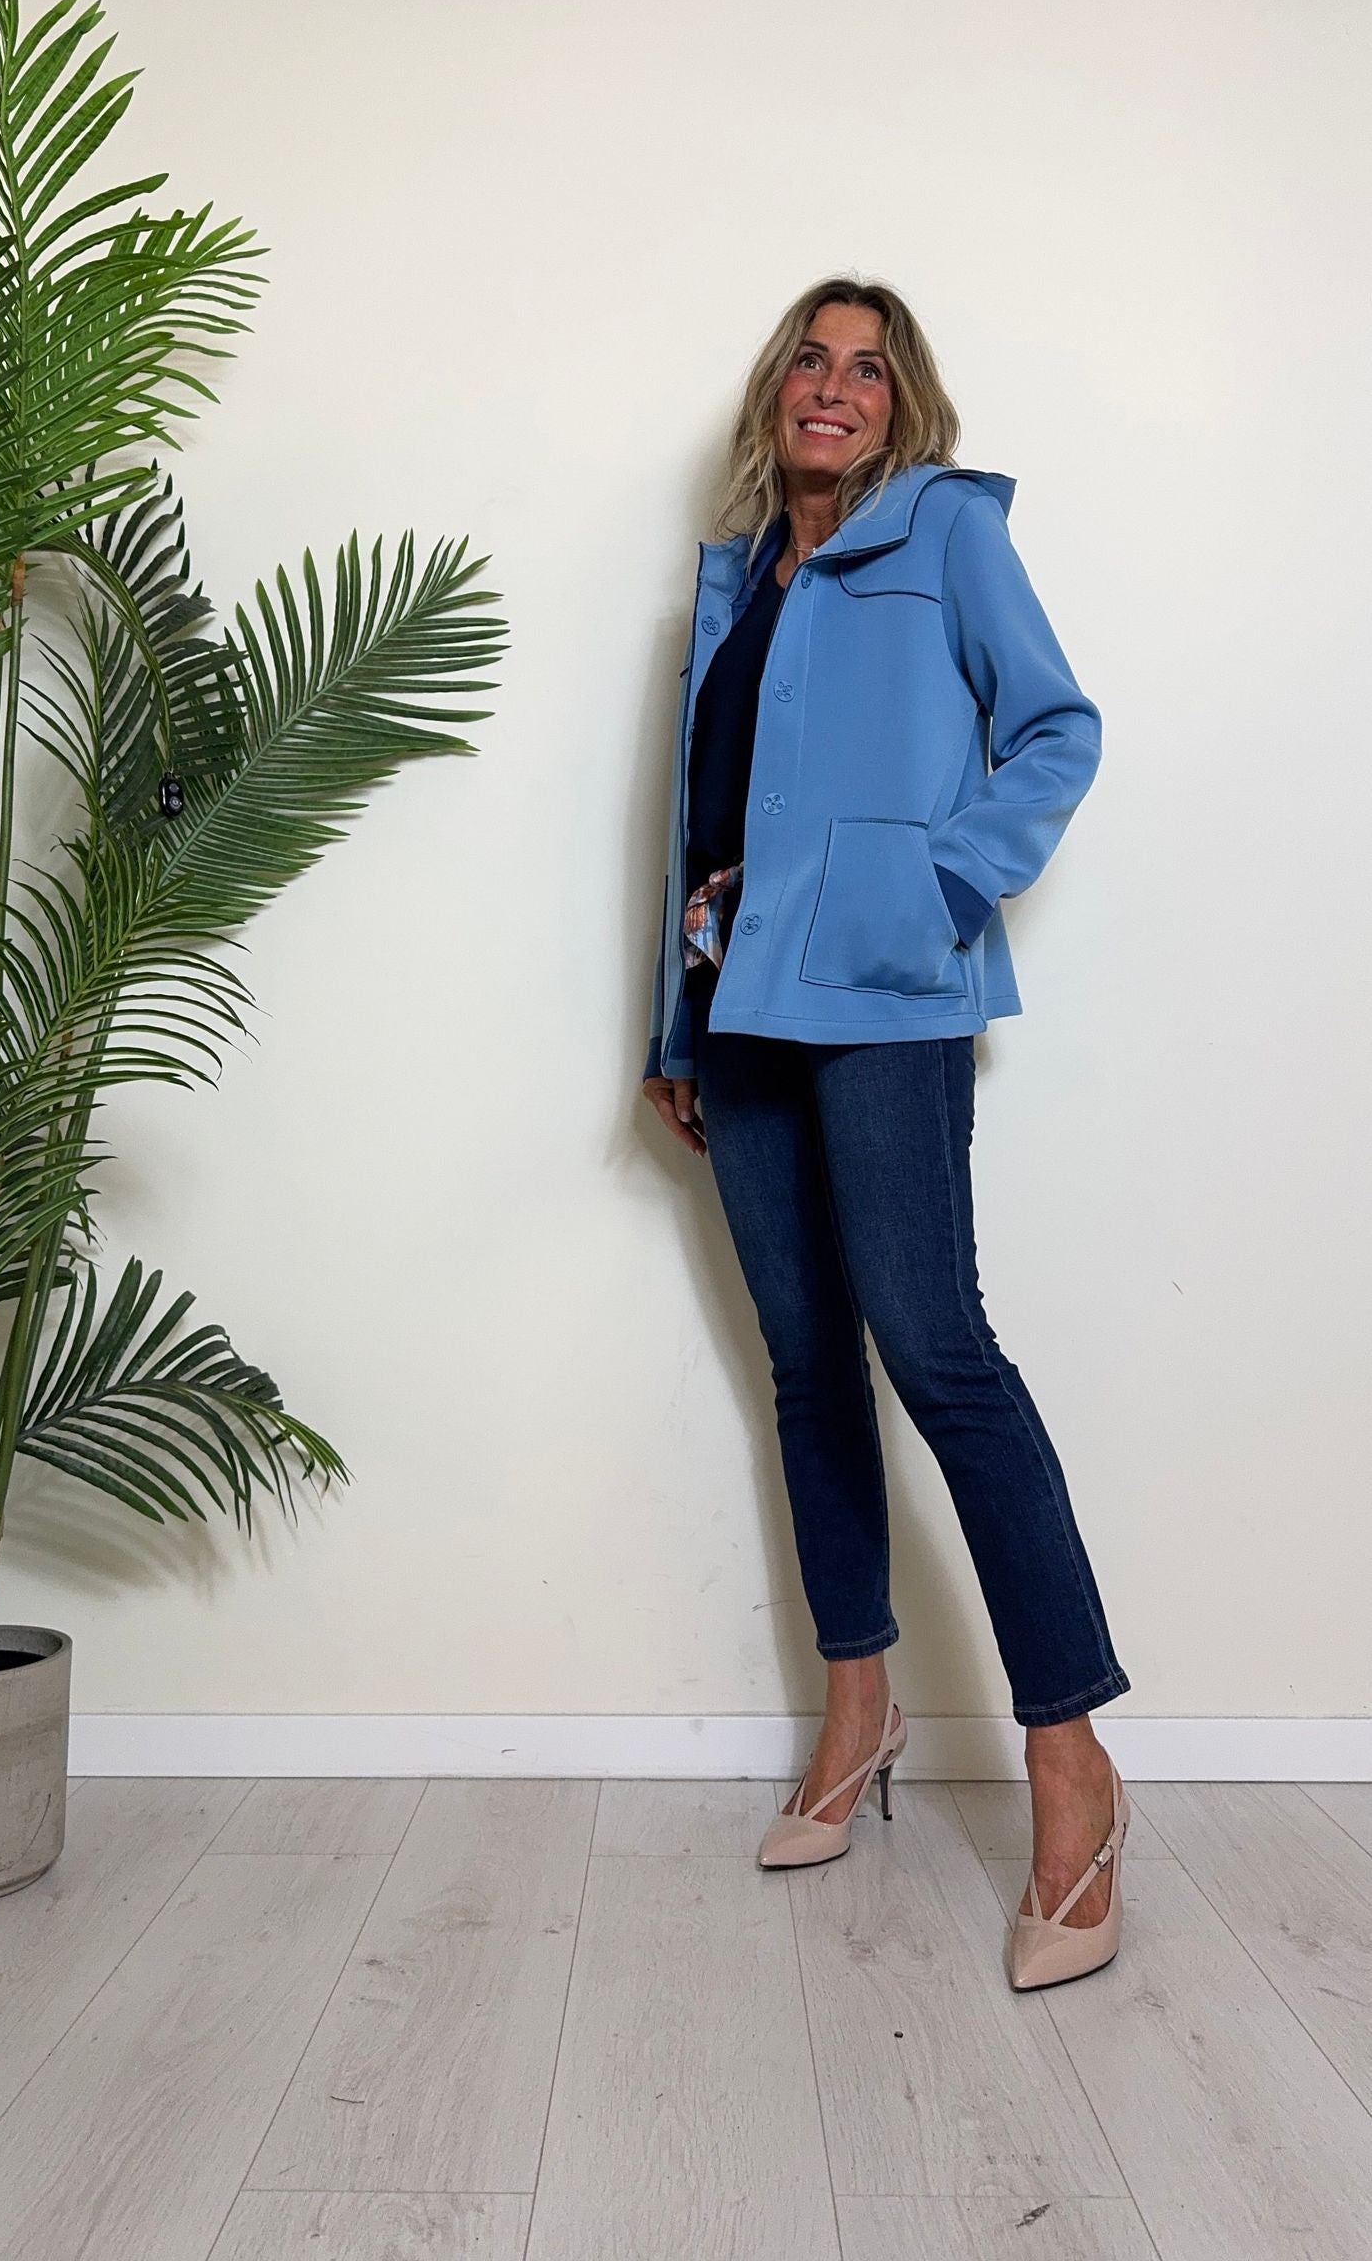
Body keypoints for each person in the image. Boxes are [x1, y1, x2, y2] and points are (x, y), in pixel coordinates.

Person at [641, 276, 1130, 1990]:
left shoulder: (944, 535)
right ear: (774, 388)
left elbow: (1057, 728)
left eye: (867, 367)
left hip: (888, 1001)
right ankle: (860, 1709)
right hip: (742, 1014)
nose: (832, 386)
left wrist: (934, 884)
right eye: (809, 358)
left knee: (940, 1354)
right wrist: (673, 1024)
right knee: (806, 1364)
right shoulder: (734, 581)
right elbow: (698, 818)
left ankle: (1073, 1763)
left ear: (901, 402)